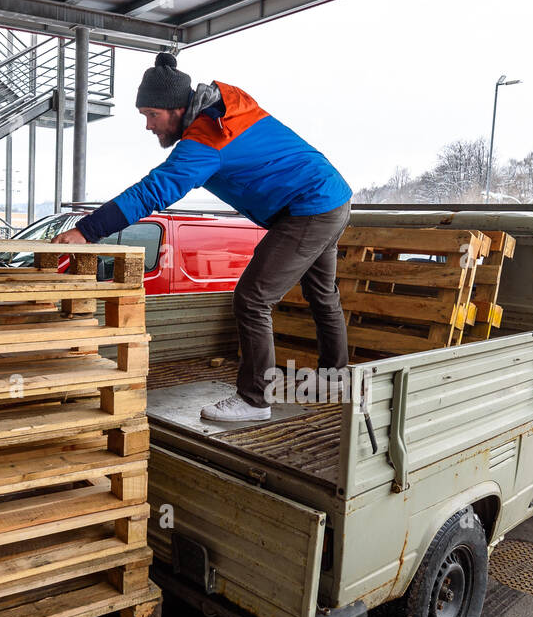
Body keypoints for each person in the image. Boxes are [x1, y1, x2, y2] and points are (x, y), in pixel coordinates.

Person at [53, 53, 352, 422]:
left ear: (177, 109)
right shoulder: (221, 114)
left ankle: (255, 400)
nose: (148, 126)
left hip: (309, 206)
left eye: (151, 115)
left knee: (252, 298)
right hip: (331, 197)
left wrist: (87, 229)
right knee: (322, 295)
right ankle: (333, 381)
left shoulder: (207, 137)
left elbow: (154, 190)